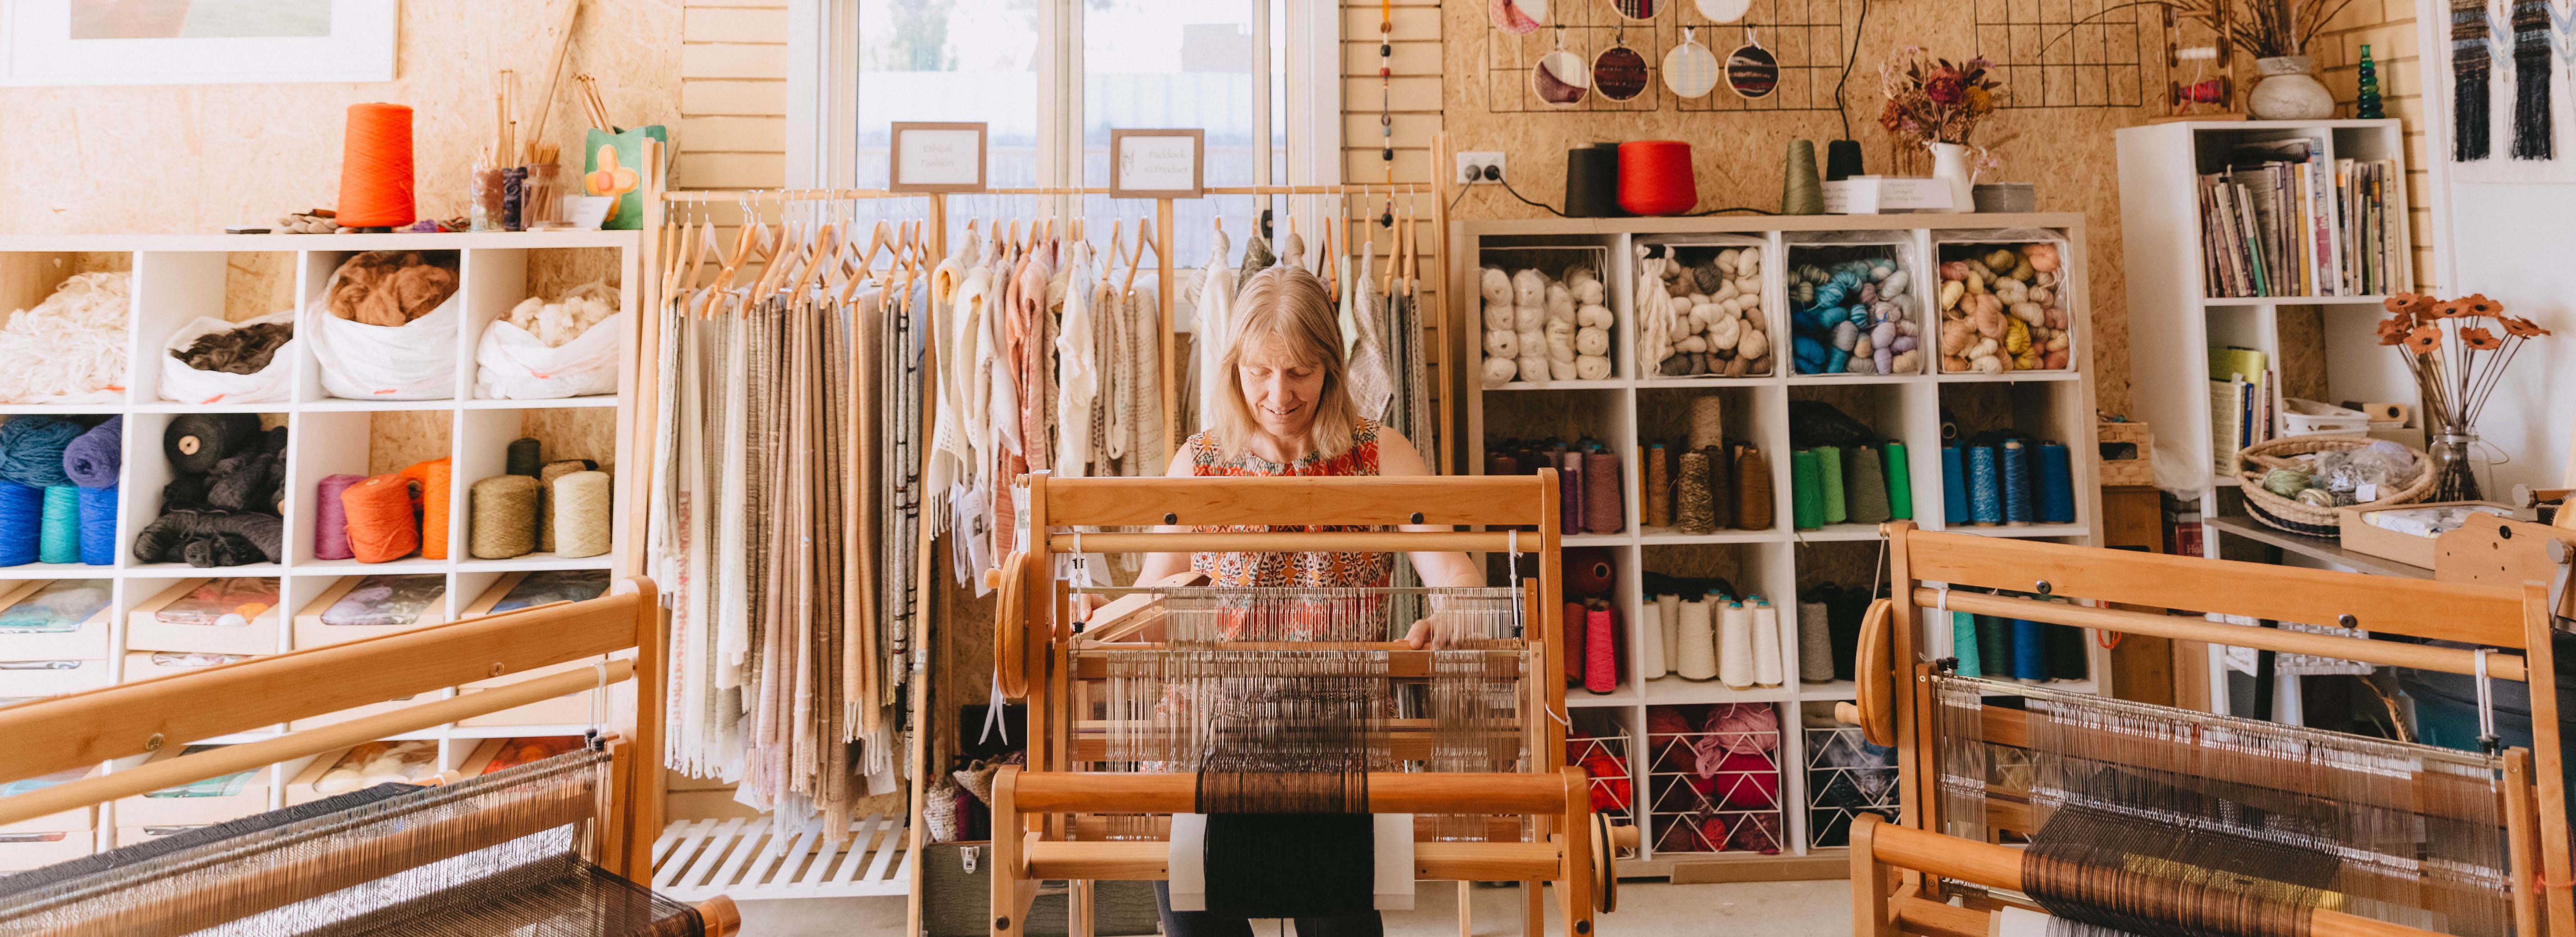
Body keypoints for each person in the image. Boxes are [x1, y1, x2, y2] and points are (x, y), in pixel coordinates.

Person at [1133, 263, 1482, 937]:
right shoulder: (1199, 462)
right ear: (1233, 365)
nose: (1277, 393)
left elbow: (1456, 574)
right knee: (1197, 920)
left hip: (1337, 743)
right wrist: (1146, 610)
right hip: (1211, 742)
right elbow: (1156, 589)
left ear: (1330, 365)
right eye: (1259, 371)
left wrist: (1449, 618)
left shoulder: (1379, 457)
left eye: (1298, 372)